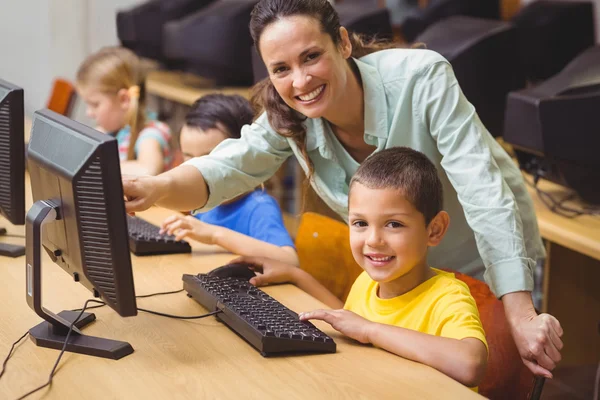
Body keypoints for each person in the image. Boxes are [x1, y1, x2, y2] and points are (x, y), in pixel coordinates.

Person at [122, 0, 563, 378]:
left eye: (311, 56)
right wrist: (154, 187)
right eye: (281, 69)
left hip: (483, 265)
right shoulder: (288, 117)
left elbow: (483, 191)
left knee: (484, 376)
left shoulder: (421, 77)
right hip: (403, 281)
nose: (300, 81)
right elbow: (224, 168)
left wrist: (521, 313)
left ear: (344, 43)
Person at [235, 147, 488, 390]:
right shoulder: (368, 282)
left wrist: (370, 330)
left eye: (393, 224)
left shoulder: (448, 296)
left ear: (434, 230)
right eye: (360, 223)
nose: (373, 240)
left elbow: (470, 364)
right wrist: (294, 274)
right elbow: (345, 318)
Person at [160, 94, 298, 266]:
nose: (197, 172)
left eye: (209, 162)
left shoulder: (259, 207)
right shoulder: (204, 202)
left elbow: (290, 261)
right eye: (188, 159)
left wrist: (214, 235)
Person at [76, 46, 173, 176]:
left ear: (124, 99)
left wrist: (96, 165)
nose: (89, 113)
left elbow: (148, 170)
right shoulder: (112, 131)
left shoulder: (150, 135)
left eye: (95, 104)